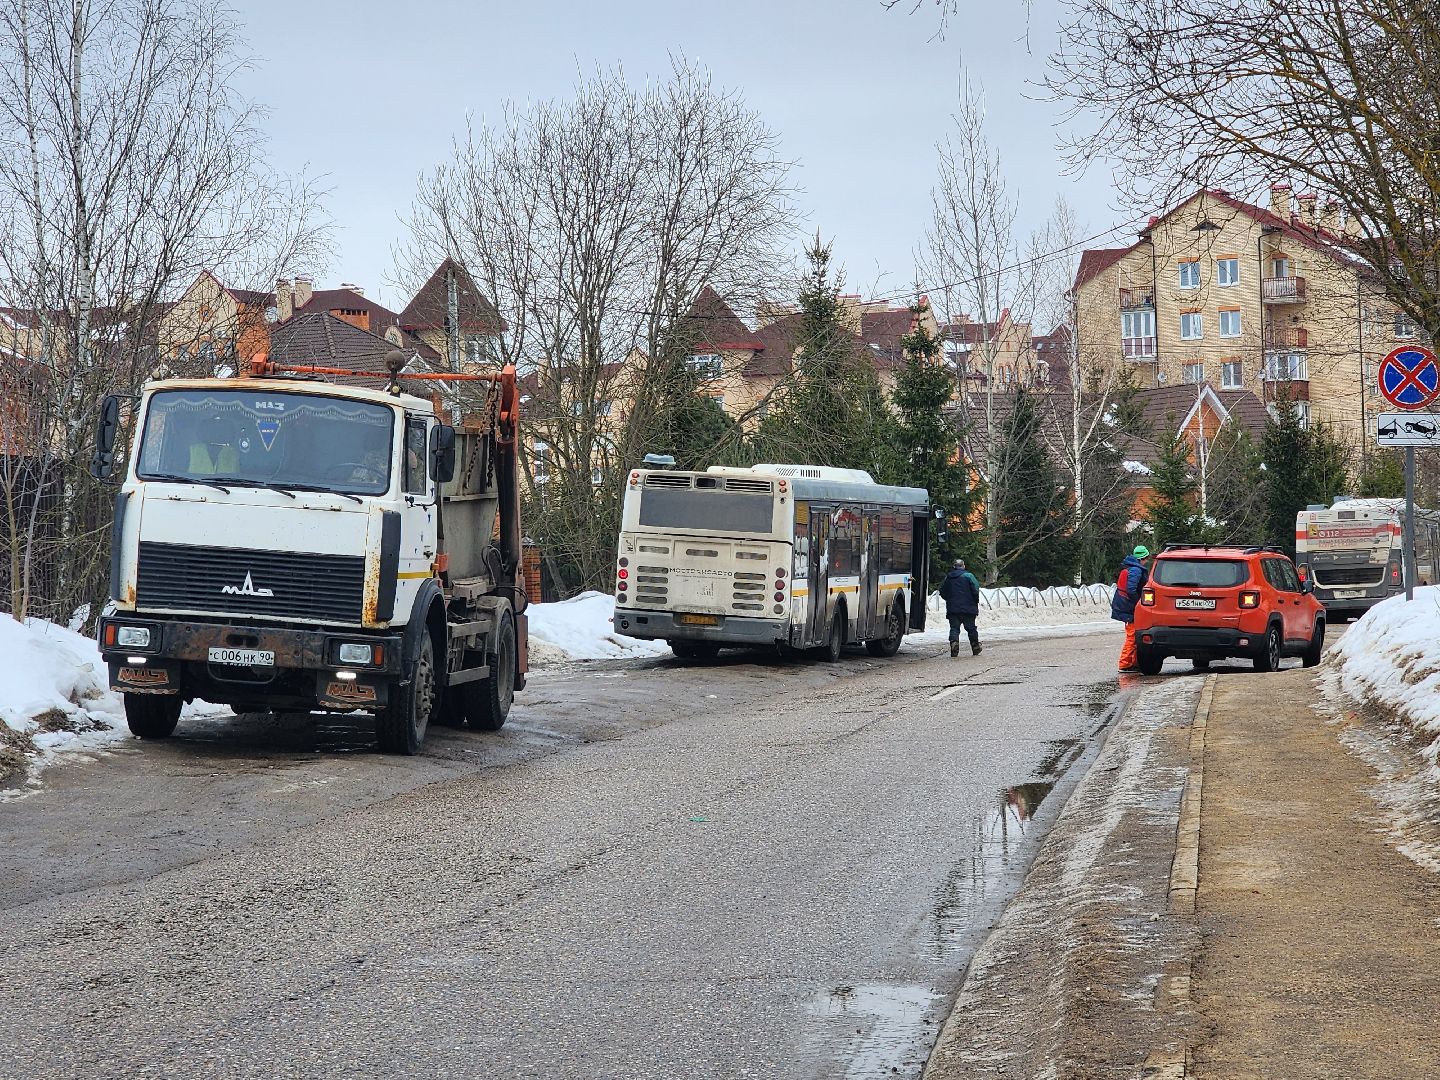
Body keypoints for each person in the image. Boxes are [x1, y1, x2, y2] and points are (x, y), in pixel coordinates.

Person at [1112, 544, 1152, 672]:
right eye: (1146, 558)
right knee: (1132, 636)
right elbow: (1131, 589)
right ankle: (1124, 664)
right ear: (1143, 558)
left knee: (1134, 635)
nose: (1147, 561)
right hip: (1130, 608)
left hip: (1125, 606)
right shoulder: (1136, 570)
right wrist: (1138, 604)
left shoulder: (1131, 567)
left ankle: (1133, 663)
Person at [939, 558, 982, 658]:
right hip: (968, 608)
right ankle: (975, 647)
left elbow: (942, 591)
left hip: (953, 609)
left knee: (954, 628)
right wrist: (975, 601)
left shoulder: (948, 578)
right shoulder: (969, 576)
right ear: (963, 566)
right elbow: (975, 590)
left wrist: (949, 599)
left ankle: (954, 644)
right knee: (971, 628)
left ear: (954, 567)